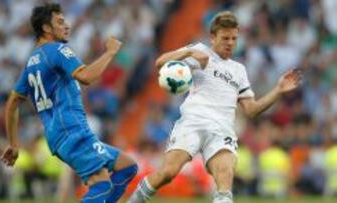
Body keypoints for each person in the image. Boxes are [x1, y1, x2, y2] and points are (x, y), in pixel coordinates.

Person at [127, 11, 302, 203]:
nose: (230, 43)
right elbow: (160, 64)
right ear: (213, 37)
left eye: (234, 39)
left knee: (225, 179)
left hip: (221, 130)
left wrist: (278, 90)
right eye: (225, 38)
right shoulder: (200, 51)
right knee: (168, 172)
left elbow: (251, 109)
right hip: (192, 123)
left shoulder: (239, 70)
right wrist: (187, 52)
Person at [0, 3, 138, 203]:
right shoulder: (57, 50)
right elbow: (87, 77)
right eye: (60, 22)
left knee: (127, 167)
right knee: (101, 184)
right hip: (71, 130)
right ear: (47, 28)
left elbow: (13, 102)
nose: (67, 26)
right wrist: (110, 53)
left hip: (60, 134)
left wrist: (13, 144)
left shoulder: (31, 62)